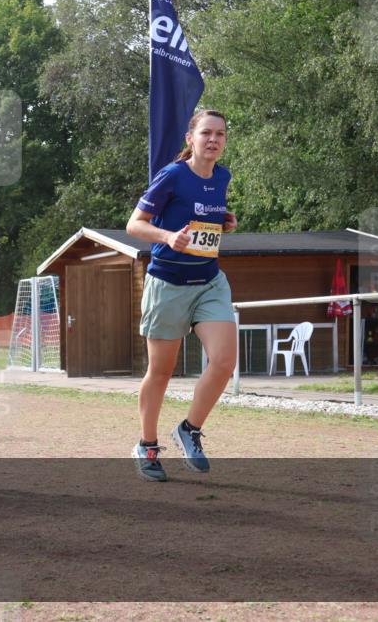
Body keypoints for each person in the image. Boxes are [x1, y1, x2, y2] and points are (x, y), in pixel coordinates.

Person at [125, 109, 238, 483]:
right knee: (161, 371)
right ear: (191, 138)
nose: (214, 140)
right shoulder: (172, 175)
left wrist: (223, 221)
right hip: (168, 283)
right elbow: (135, 225)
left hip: (208, 281)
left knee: (223, 361)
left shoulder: (222, 177)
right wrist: (168, 237)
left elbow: (203, 217)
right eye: (206, 133)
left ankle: (190, 428)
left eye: (220, 134)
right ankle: (147, 445)